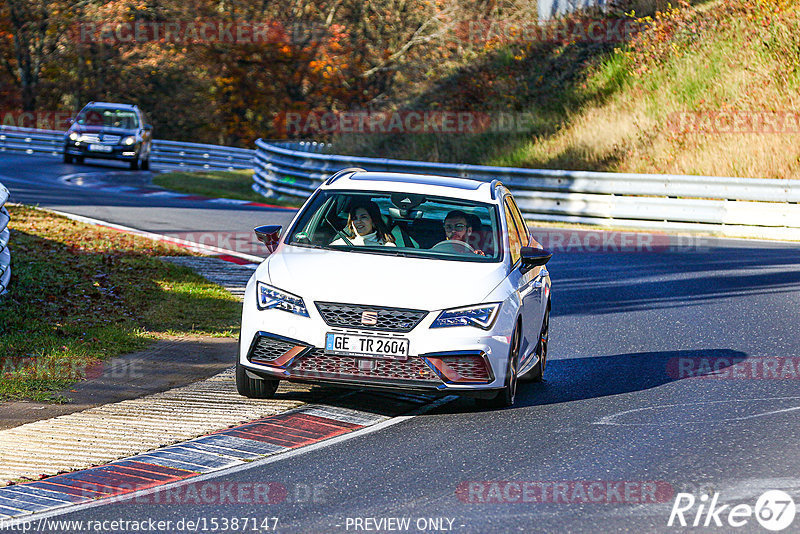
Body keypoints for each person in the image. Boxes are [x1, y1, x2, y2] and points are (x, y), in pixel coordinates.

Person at [331, 200, 396, 247]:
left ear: (373, 221)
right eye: (355, 218)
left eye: (363, 217)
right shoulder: (341, 243)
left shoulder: (388, 247)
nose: (358, 221)